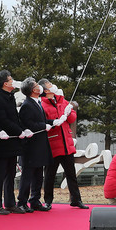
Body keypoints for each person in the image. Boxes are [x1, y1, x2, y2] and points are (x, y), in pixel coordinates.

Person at [39, 79, 88, 209]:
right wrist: (56, 121)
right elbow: (46, 123)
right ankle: (48, 200)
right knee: (50, 175)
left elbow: (72, 118)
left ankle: (76, 199)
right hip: (53, 146)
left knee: (71, 174)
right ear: (45, 90)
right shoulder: (43, 105)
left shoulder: (62, 100)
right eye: (49, 84)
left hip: (67, 144)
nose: (53, 85)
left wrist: (69, 112)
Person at [0, 70, 29, 215]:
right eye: (11, 80)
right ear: (5, 83)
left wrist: (22, 129)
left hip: (12, 143)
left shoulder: (9, 97)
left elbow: (14, 119)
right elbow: (2, 120)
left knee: (10, 173)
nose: (13, 81)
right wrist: (18, 131)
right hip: (1, 143)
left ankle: (10, 203)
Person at [17, 77, 54, 212]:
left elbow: (41, 121)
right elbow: (28, 124)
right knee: (27, 177)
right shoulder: (27, 105)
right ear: (33, 90)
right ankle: (22, 202)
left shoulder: (37, 103)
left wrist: (53, 122)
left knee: (38, 175)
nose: (39, 87)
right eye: (37, 85)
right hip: (31, 147)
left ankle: (35, 200)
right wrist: (44, 125)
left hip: (40, 146)